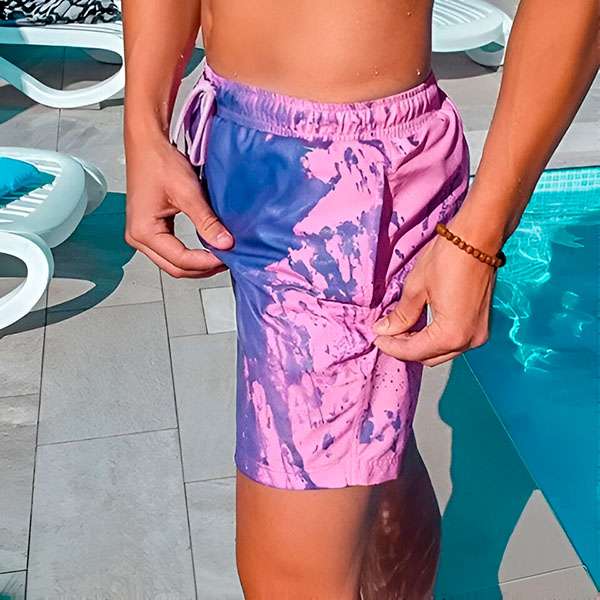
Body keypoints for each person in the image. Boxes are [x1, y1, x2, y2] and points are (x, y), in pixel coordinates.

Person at [121, 1, 599, 598]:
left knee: (290, 581)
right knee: (372, 450)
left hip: (342, 188)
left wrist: (478, 239)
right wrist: (143, 126)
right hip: (231, 127)